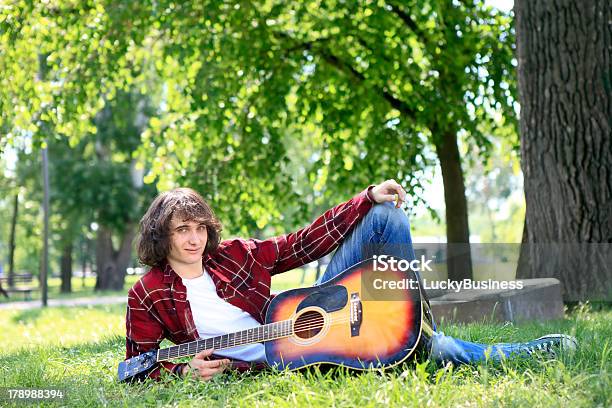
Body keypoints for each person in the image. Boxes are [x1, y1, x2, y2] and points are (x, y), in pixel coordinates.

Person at [125, 180, 577, 381]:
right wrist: (186, 371)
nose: (194, 238)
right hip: (289, 354)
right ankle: (522, 352)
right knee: (431, 353)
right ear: (161, 234)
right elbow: (137, 367)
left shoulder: (234, 255)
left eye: (199, 227)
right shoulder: (147, 294)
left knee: (384, 216)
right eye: (183, 229)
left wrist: (364, 198)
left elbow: (301, 244)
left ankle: (412, 329)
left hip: (309, 312)